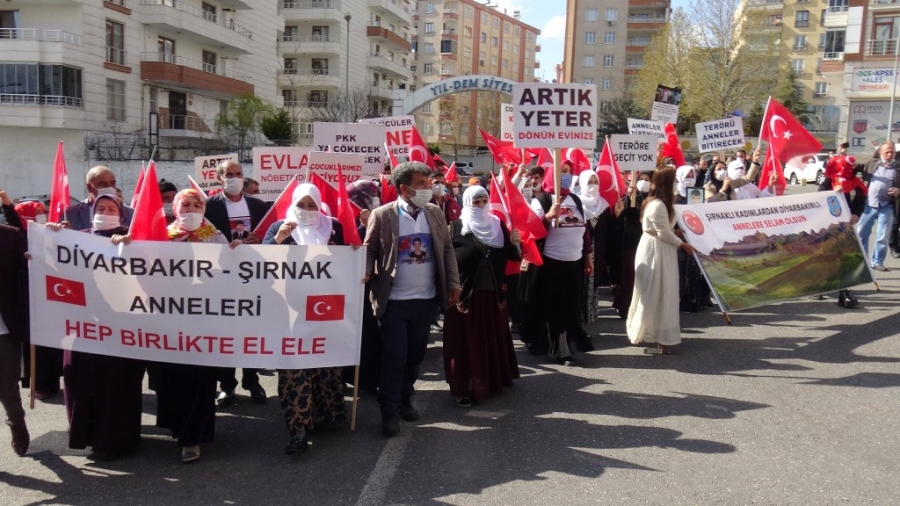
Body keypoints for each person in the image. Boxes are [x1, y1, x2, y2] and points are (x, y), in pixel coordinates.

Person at [363, 162, 461, 437]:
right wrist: (365, 268)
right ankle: (389, 410)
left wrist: (453, 282)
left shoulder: (434, 213)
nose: (428, 188)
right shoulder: (383, 215)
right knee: (395, 355)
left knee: (415, 355)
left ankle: (405, 398)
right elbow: (369, 249)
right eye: (421, 183)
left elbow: (447, 250)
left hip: (425, 300)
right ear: (404, 188)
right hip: (393, 300)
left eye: (429, 183)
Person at [50, 195, 145, 460]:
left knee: (117, 383)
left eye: (111, 209)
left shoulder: (131, 238)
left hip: (119, 327)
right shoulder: (77, 238)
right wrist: (53, 239)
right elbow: (53, 265)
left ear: (121, 214)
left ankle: (117, 441)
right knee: (79, 378)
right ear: (92, 212)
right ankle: (85, 436)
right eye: (100, 209)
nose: (105, 213)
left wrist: (130, 247)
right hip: (82, 325)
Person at [263, 184, 349, 455]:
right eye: (302, 205)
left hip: (325, 308)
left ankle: (326, 414)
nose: (308, 211)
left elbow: (346, 259)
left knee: (325, 364)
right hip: (289, 311)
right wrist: (279, 239)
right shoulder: (279, 227)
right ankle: (297, 428)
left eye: (313, 205)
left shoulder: (332, 226)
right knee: (294, 368)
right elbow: (260, 263)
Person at [153, 189, 228, 463]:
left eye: (198, 204)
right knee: (172, 378)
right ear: (175, 208)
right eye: (186, 204)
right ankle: (178, 427)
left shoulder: (217, 237)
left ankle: (193, 438)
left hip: (203, 321)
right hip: (169, 320)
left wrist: (238, 254)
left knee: (199, 378)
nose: (193, 208)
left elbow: (231, 274)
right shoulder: (161, 237)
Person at [444, 186, 521, 407]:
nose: (480, 206)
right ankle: (464, 388)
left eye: (483, 201)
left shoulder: (498, 226)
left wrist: (516, 242)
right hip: (465, 298)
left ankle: (491, 382)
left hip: (493, 296)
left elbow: (513, 257)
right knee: (465, 343)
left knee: (491, 339)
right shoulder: (454, 228)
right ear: (467, 203)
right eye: (475, 202)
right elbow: (445, 259)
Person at [204, 160, 269, 406]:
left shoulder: (258, 204)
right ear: (219, 178)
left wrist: (258, 238)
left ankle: (252, 380)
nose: (234, 178)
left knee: (251, 331)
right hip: (221, 277)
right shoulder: (209, 206)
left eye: (238, 174)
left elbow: (269, 236)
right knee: (226, 333)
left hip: (253, 277)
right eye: (229, 174)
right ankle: (227, 386)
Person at [524, 171, 594, 364]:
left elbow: (585, 231)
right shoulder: (542, 200)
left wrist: (588, 257)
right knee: (555, 308)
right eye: (559, 174)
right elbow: (532, 231)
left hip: (575, 263)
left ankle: (569, 343)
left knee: (571, 307)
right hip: (551, 263)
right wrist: (547, 217)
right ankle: (561, 349)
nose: (564, 178)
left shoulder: (576, 201)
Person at [626, 168, 697, 355]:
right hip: (655, 251)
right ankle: (659, 339)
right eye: (672, 182)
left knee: (664, 292)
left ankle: (662, 340)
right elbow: (662, 232)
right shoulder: (657, 205)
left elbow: (665, 230)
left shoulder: (662, 204)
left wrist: (678, 234)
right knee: (656, 292)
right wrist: (683, 244)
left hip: (662, 249)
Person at [0, 221, 29, 456]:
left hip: (4, 328)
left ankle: (17, 424)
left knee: (6, 385)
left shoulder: (10, 236)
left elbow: (32, 267)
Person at [612, 171, 652, 318]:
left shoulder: (654, 198)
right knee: (629, 275)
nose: (644, 182)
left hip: (647, 241)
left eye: (647, 179)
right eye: (640, 179)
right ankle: (624, 306)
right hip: (631, 241)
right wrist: (628, 197)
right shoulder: (631, 197)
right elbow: (623, 212)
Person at [859, 142, 900, 272]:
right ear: (880, 153)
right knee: (861, 233)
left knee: (883, 236)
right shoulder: (872, 164)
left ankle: (877, 262)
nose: (889, 154)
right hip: (869, 205)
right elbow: (857, 172)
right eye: (887, 152)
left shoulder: (898, 168)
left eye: (892, 152)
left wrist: (898, 191)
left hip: (887, 206)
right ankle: (862, 260)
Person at [64, 165, 135, 231]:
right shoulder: (70, 214)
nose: (109, 188)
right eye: (103, 184)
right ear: (89, 188)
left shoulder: (131, 214)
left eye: (112, 183)